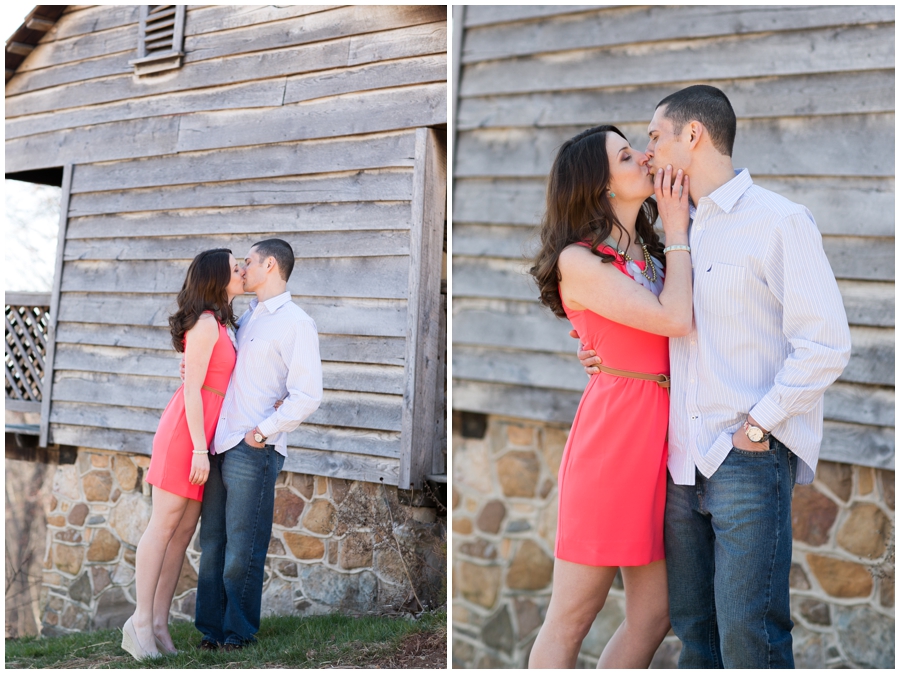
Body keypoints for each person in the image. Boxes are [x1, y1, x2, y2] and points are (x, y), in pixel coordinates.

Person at [576, 85, 851, 668]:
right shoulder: (668, 234)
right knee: (695, 633)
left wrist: (758, 428)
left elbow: (826, 343)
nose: (646, 153)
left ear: (692, 135)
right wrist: (594, 348)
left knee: (751, 634)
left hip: (746, 458)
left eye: (653, 137)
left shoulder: (779, 222)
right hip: (677, 464)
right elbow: (632, 313)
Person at [527, 124, 692, 668]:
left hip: (662, 438)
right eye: (626, 155)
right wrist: (676, 226)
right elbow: (674, 318)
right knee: (573, 615)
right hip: (614, 441)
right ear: (601, 186)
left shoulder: (644, 252)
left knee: (656, 611)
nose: (643, 156)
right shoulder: (581, 259)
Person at [194, 238, 323, 650]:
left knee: (243, 547)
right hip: (219, 444)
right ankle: (210, 633)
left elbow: (307, 393)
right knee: (213, 543)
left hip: (254, 448)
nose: (242, 269)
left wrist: (262, 432)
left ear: (269, 265)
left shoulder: (296, 322)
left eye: (247, 262)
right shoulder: (243, 319)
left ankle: (238, 633)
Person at [122, 249, 243, 660]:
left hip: (203, 437)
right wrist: (197, 449)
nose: (241, 271)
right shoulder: (207, 324)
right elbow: (192, 390)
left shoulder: (223, 322)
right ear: (217, 278)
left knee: (182, 535)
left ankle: (159, 622)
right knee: (162, 527)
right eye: (235, 268)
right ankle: (138, 621)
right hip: (185, 438)